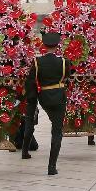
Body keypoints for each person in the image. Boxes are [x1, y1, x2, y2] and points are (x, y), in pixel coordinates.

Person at [21, 31, 69, 175]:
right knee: (56, 131)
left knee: (35, 122)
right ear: (57, 45)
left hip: (44, 97)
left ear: (44, 45)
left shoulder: (38, 62)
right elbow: (67, 76)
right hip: (59, 96)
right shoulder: (64, 62)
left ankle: (25, 151)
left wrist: (32, 98)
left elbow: (30, 81)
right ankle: (52, 166)